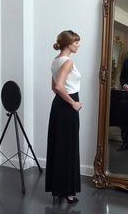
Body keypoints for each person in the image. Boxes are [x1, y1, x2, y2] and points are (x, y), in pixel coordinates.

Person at [45, 30, 82, 203]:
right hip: (67, 106)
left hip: (58, 106)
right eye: (76, 42)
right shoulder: (67, 62)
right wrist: (73, 103)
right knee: (68, 147)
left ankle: (58, 189)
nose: (78, 45)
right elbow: (59, 86)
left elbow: (54, 88)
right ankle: (67, 192)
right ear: (69, 44)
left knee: (59, 146)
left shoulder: (55, 61)